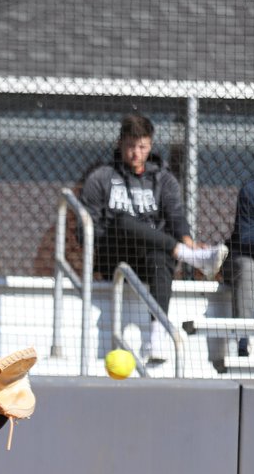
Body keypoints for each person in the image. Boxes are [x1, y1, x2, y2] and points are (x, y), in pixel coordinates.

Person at [79, 113, 228, 364]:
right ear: (120, 143)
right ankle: (190, 257)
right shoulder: (101, 178)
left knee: (160, 257)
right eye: (130, 146)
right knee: (123, 221)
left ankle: (155, 338)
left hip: (150, 258)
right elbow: (87, 230)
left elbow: (176, 216)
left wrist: (188, 239)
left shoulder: (164, 179)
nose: (136, 153)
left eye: (142, 147)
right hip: (113, 255)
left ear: (150, 145)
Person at [221, 169, 254, 357]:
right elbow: (246, 237)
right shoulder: (252, 190)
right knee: (247, 267)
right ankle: (243, 340)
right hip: (242, 258)